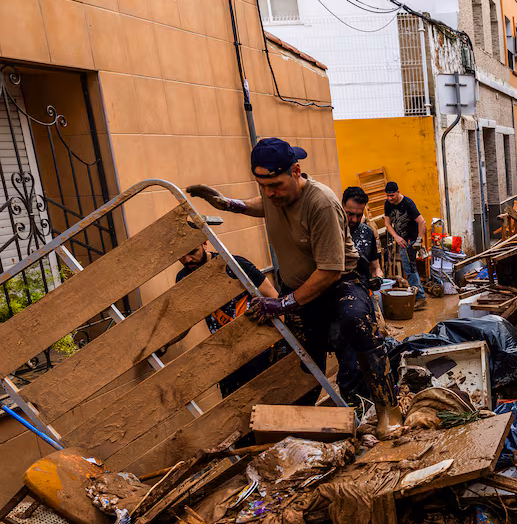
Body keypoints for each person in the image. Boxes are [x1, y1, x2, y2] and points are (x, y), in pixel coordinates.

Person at [185, 138, 401, 433]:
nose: (269, 193)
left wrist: (282, 303)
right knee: (296, 355)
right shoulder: (275, 196)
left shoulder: (321, 203)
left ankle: (388, 408)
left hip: (340, 284)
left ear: (296, 171)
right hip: (299, 288)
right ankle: (297, 424)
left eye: (275, 185)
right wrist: (229, 204)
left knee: (357, 324)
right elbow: (260, 205)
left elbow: (330, 271)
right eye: (263, 186)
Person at [165, 241, 280, 397]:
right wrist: (164, 343)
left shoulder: (235, 265)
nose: (187, 259)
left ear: (204, 244)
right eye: (181, 256)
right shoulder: (184, 279)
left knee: (272, 400)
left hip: (260, 348)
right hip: (227, 357)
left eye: (192, 252)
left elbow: (274, 298)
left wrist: (281, 342)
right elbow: (186, 321)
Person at [381, 182, 427, 309]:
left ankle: (420, 297)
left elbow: (422, 222)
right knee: (410, 268)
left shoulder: (408, 203)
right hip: (401, 240)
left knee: (410, 269)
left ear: (398, 192)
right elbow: (387, 224)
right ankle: (418, 296)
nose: (390, 198)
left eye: (392, 195)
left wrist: (419, 240)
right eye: (387, 196)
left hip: (410, 240)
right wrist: (396, 237)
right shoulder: (387, 204)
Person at [342, 186, 382, 281]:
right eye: (350, 214)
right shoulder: (331, 232)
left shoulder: (367, 233)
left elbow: (375, 268)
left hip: (362, 287)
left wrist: (378, 278)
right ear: (342, 206)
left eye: (359, 215)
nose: (355, 220)